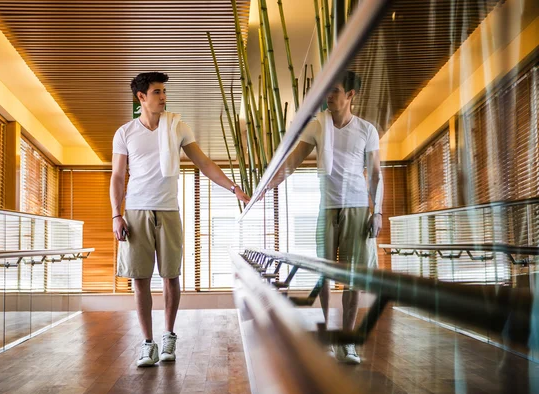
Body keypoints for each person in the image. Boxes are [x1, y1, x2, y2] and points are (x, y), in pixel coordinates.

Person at [110, 72, 250, 367]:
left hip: (169, 210)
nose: (163, 97)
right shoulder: (125, 133)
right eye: (157, 92)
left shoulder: (178, 127)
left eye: (164, 91)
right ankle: (147, 343)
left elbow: (204, 163)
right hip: (136, 211)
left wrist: (234, 188)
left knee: (171, 276)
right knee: (140, 280)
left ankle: (169, 337)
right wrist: (116, 214)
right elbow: (118, 176)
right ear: (141, 97)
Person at [268, 71, 382, 364]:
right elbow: (293, 161)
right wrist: (268, 184)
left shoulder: (366, 130)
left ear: (350, 95)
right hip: (327, 207)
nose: (328, 97)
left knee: (353, 279)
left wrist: (377, 211)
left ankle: (348, 341)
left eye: (334, 91)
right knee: (325, 275)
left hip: (358, 207)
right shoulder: (318, 126)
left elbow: (375, 174)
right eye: (327, 92)